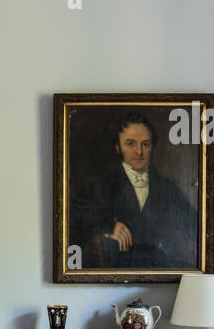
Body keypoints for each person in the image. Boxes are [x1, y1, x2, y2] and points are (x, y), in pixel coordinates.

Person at [73, 112, 198, 270]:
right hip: (111, 275)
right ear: (117, 147)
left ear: (152, 147)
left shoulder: (168, 189)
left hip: (159, 273)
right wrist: (107, 226)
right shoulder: (99, 186)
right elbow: (73, 222)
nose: (139, 152)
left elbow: (194, 226)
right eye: (131, 143)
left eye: (145, 144)